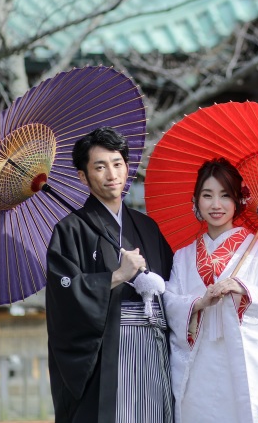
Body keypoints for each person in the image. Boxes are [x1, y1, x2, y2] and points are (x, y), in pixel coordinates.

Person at [45, 126, 174, 423]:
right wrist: (116, 276)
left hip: (153, 345)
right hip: (106, 354)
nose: (112, 174)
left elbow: (173, 285)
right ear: (83, 176)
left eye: (118, 164)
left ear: (128, 167)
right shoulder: (69, 230)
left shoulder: (147, 226)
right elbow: (64, 294)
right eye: (100, 167)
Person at [164, 157, 258, 423]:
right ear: (196, 201)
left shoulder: (257, 252)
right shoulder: (183, 257)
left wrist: (243, 288)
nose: (216, 205)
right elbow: (169, 302)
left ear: (237, 201)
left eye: (225, 195)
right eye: (207, 195)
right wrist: (198, 303)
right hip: (198, 363)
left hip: (241, 362)